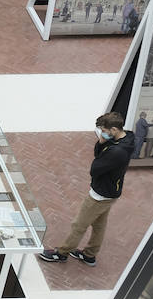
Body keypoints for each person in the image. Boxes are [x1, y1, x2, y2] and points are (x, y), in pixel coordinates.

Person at [39, 112, 135, 266]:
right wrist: (103, 143)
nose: (102, 134)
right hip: (111, 192)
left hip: (100, 194)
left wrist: (102, 144)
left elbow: (94, 169)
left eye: (104, 131)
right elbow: (99, 155)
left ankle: (62, 253)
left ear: (114, 129)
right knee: (99, 225)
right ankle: (90, 255)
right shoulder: (128, 138)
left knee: (79, 225)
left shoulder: (116, 151)